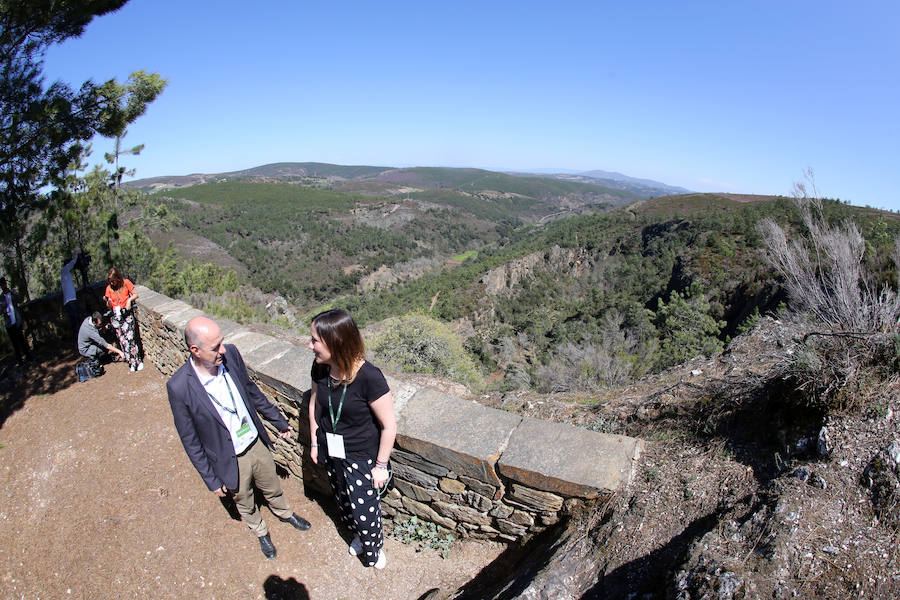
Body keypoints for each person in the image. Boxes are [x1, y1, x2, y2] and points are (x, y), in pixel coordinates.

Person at [166, 316, 312, 559]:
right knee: (243, 498)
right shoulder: (179, 387)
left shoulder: (230, 355)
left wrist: (277, 419)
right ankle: (260, 531)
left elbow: (251, 391)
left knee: (271, 483)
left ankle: (285, 513)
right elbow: (190, 440)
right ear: (195, 350)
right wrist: (211, 480)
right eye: (215, 347)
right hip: (227, 456)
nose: (223, 350)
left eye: (222, 342)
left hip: (254, 441)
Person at [307, 308, 396, 569]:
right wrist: (314, 440)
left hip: (361, 455)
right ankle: (358, 534)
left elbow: (389, 426)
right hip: (332, 448)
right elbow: (315, 404)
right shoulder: (320, 368)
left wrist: (380, 466)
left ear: (336, 342)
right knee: (343, 499)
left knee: (364, 508)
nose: (309, 345)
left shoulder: (369, 377)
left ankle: (373, 549)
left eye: (314, 340)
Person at [103, 267, 143, 372]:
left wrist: (129, 300)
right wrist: (107, 301)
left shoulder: (126, 283)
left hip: (126, 315)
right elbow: (108, 305)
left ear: (118, 278)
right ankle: (131, 362)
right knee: (123, 340)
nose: (112, 283)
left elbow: (135, 294)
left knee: (130, 339)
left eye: (113, 281)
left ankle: (137, 361)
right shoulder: (109, 288)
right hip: (116, 317)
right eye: (110, 281)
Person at [1, 277, 31, 366]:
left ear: (6, 284)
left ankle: (29, 357)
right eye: (2, 284)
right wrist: (2, 306)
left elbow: (19, 300)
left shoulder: (12, 293)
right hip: (9, 324)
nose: (3, 285)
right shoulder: (1, 298)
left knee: (22, 340)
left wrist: (14, 293)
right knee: (15, 343)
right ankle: (20, 361)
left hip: (17, 321)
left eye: (4, 283)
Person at [61, 251, 83, 346]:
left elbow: (69, 288)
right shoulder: (64, 270)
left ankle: (78, 339)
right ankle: (79, 340)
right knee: (76, 320)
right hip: (70, 301)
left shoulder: (66, 275)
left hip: (70, 300)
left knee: (75, 320)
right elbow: (73, 262)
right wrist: (76, 256)